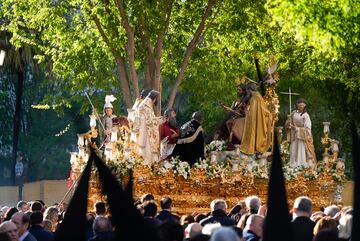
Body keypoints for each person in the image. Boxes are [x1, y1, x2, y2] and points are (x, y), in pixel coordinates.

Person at [240, 82, 272, 156]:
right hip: (257, 118)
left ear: (249, 90)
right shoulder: (256, 96)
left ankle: (252, 148)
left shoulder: (255, 98)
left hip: (258, 119)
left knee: (252, 131)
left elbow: (253, 113)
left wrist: (247, 113)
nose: (247, 92)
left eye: (247, 90)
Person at [286, 98, 316, 168]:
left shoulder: (306, 115)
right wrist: (288, 123)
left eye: (302, 106)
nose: (301, 107)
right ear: (297, 105)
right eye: (299, 106)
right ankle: (292, 166)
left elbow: (308, 129)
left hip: (302, 138)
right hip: (294, 137)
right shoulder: (293, 113)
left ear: (304, 106)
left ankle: (301, 166)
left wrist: (296, 129)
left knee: (301, 152)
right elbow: (288, 123)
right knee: (293, 151)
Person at [137, 90, 163, 164]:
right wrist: (159, 121)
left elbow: (150, 118)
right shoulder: (146, 106)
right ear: (154, 99)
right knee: (147, 152)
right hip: (147, 133)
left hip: (145, 132)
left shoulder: (145, 104)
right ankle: (148, 166)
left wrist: (157, 119)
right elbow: (149, 122)